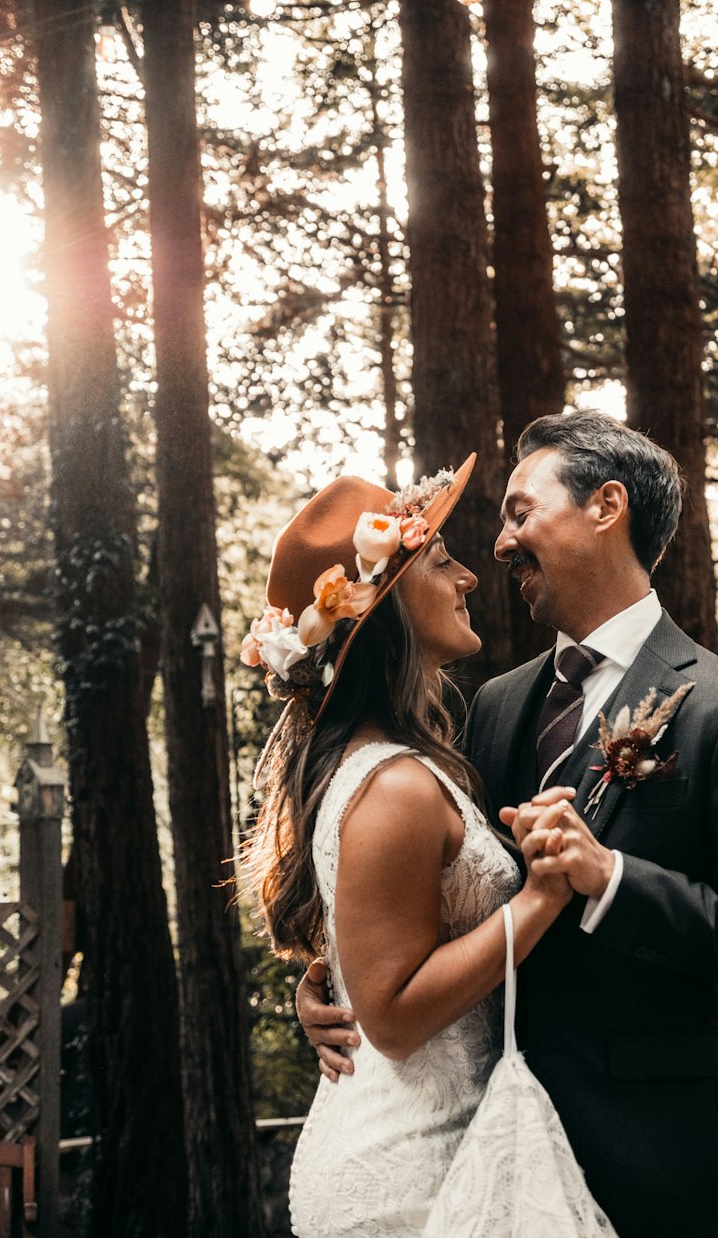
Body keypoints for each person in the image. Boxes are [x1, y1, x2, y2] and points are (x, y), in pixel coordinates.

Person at [299, 410, 718, 1238]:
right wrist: (338, 985)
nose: (500, 546)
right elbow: (439, 894)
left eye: (518, 512)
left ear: (606, 506)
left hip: (661, 1162)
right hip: (495, 1160)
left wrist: (612, 878)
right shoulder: (495, 706)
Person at [241, 455, 573, 1238]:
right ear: (383, 606)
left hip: (439, 1145)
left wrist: (333, 979)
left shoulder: (399, 760)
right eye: (440, 558)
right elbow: (389, 1017)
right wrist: (539, 900)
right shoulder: (392, 783)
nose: (466, 576)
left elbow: (382, 958)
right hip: (411, 1173)